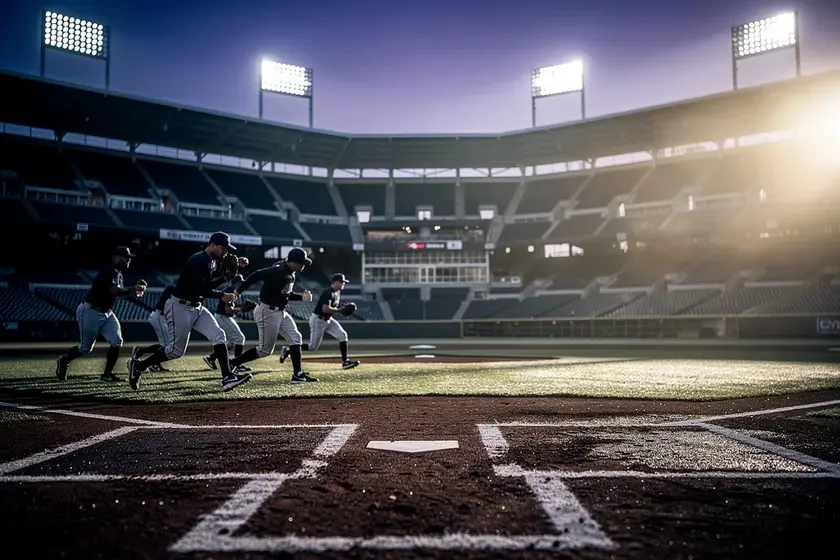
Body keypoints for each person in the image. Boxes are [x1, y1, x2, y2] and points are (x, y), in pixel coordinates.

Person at [127, 232, 252, 392]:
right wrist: (222, 294)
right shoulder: (198, 260)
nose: (225, 252)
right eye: (223, 248)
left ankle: (227, 377)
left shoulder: (212, 262)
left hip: (197, 307)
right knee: (175, 351)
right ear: (212, 245)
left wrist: (227, 275)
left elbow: (209, 283)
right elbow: (199, 288)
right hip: (180, 307)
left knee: (219, 335)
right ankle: (139, 366)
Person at [55, 246, 146, 382]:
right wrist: (134, 288)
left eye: (129, 258)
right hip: (90, 311)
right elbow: (115, 291)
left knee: (117, 341)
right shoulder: (109, 270)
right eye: (125, 257)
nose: (128, 260)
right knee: (85, 348)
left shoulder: (117, 272)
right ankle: (64, 361)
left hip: (106, 313)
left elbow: (118, 295)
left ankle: (107, 374)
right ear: (115, 257)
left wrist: (133, 290)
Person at [227, 248, 317, 384]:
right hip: (267, 311)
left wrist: (302, 297)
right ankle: (233, 363)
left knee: (296, 338)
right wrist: (238, 291)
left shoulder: (289, 271)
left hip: (280, 311)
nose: (303, 265)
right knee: (264, 350)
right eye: (301, 262)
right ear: (292, 261)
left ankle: (298, 375)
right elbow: (256, 275)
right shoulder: (278, 270)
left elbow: (285, 294)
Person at [280, 273, 359, 370]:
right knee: (312, 347)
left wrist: (341, 309)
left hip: (328, 319)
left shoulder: (337, 293)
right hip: (318, 320)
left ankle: (345, 361)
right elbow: (325, 309)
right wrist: (340, 310)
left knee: (343, 335)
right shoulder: (328, 292)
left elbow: (332, 307)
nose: (343, 284)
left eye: (343, 282)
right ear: (335, 282)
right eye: (341, 282)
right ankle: (288, 351)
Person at [203, 276, 250, 374]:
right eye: (240, 282)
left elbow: (230, 308)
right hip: (223, 316)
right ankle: (237, 365)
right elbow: (228, 310)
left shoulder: (233, 291)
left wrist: (240, 308)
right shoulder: (231, 291)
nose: (242, 285)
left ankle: (211, 358)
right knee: (240, 338)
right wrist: (242, 309)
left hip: (224, 316)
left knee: (232, 341)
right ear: (236, 283)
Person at [131, 284, 176, 372]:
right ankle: (152, 363)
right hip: (160, 316)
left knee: (167, 345)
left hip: (161, 317)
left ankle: (140, 351)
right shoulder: (172, 289)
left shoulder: (175, 289)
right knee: (167, 346)